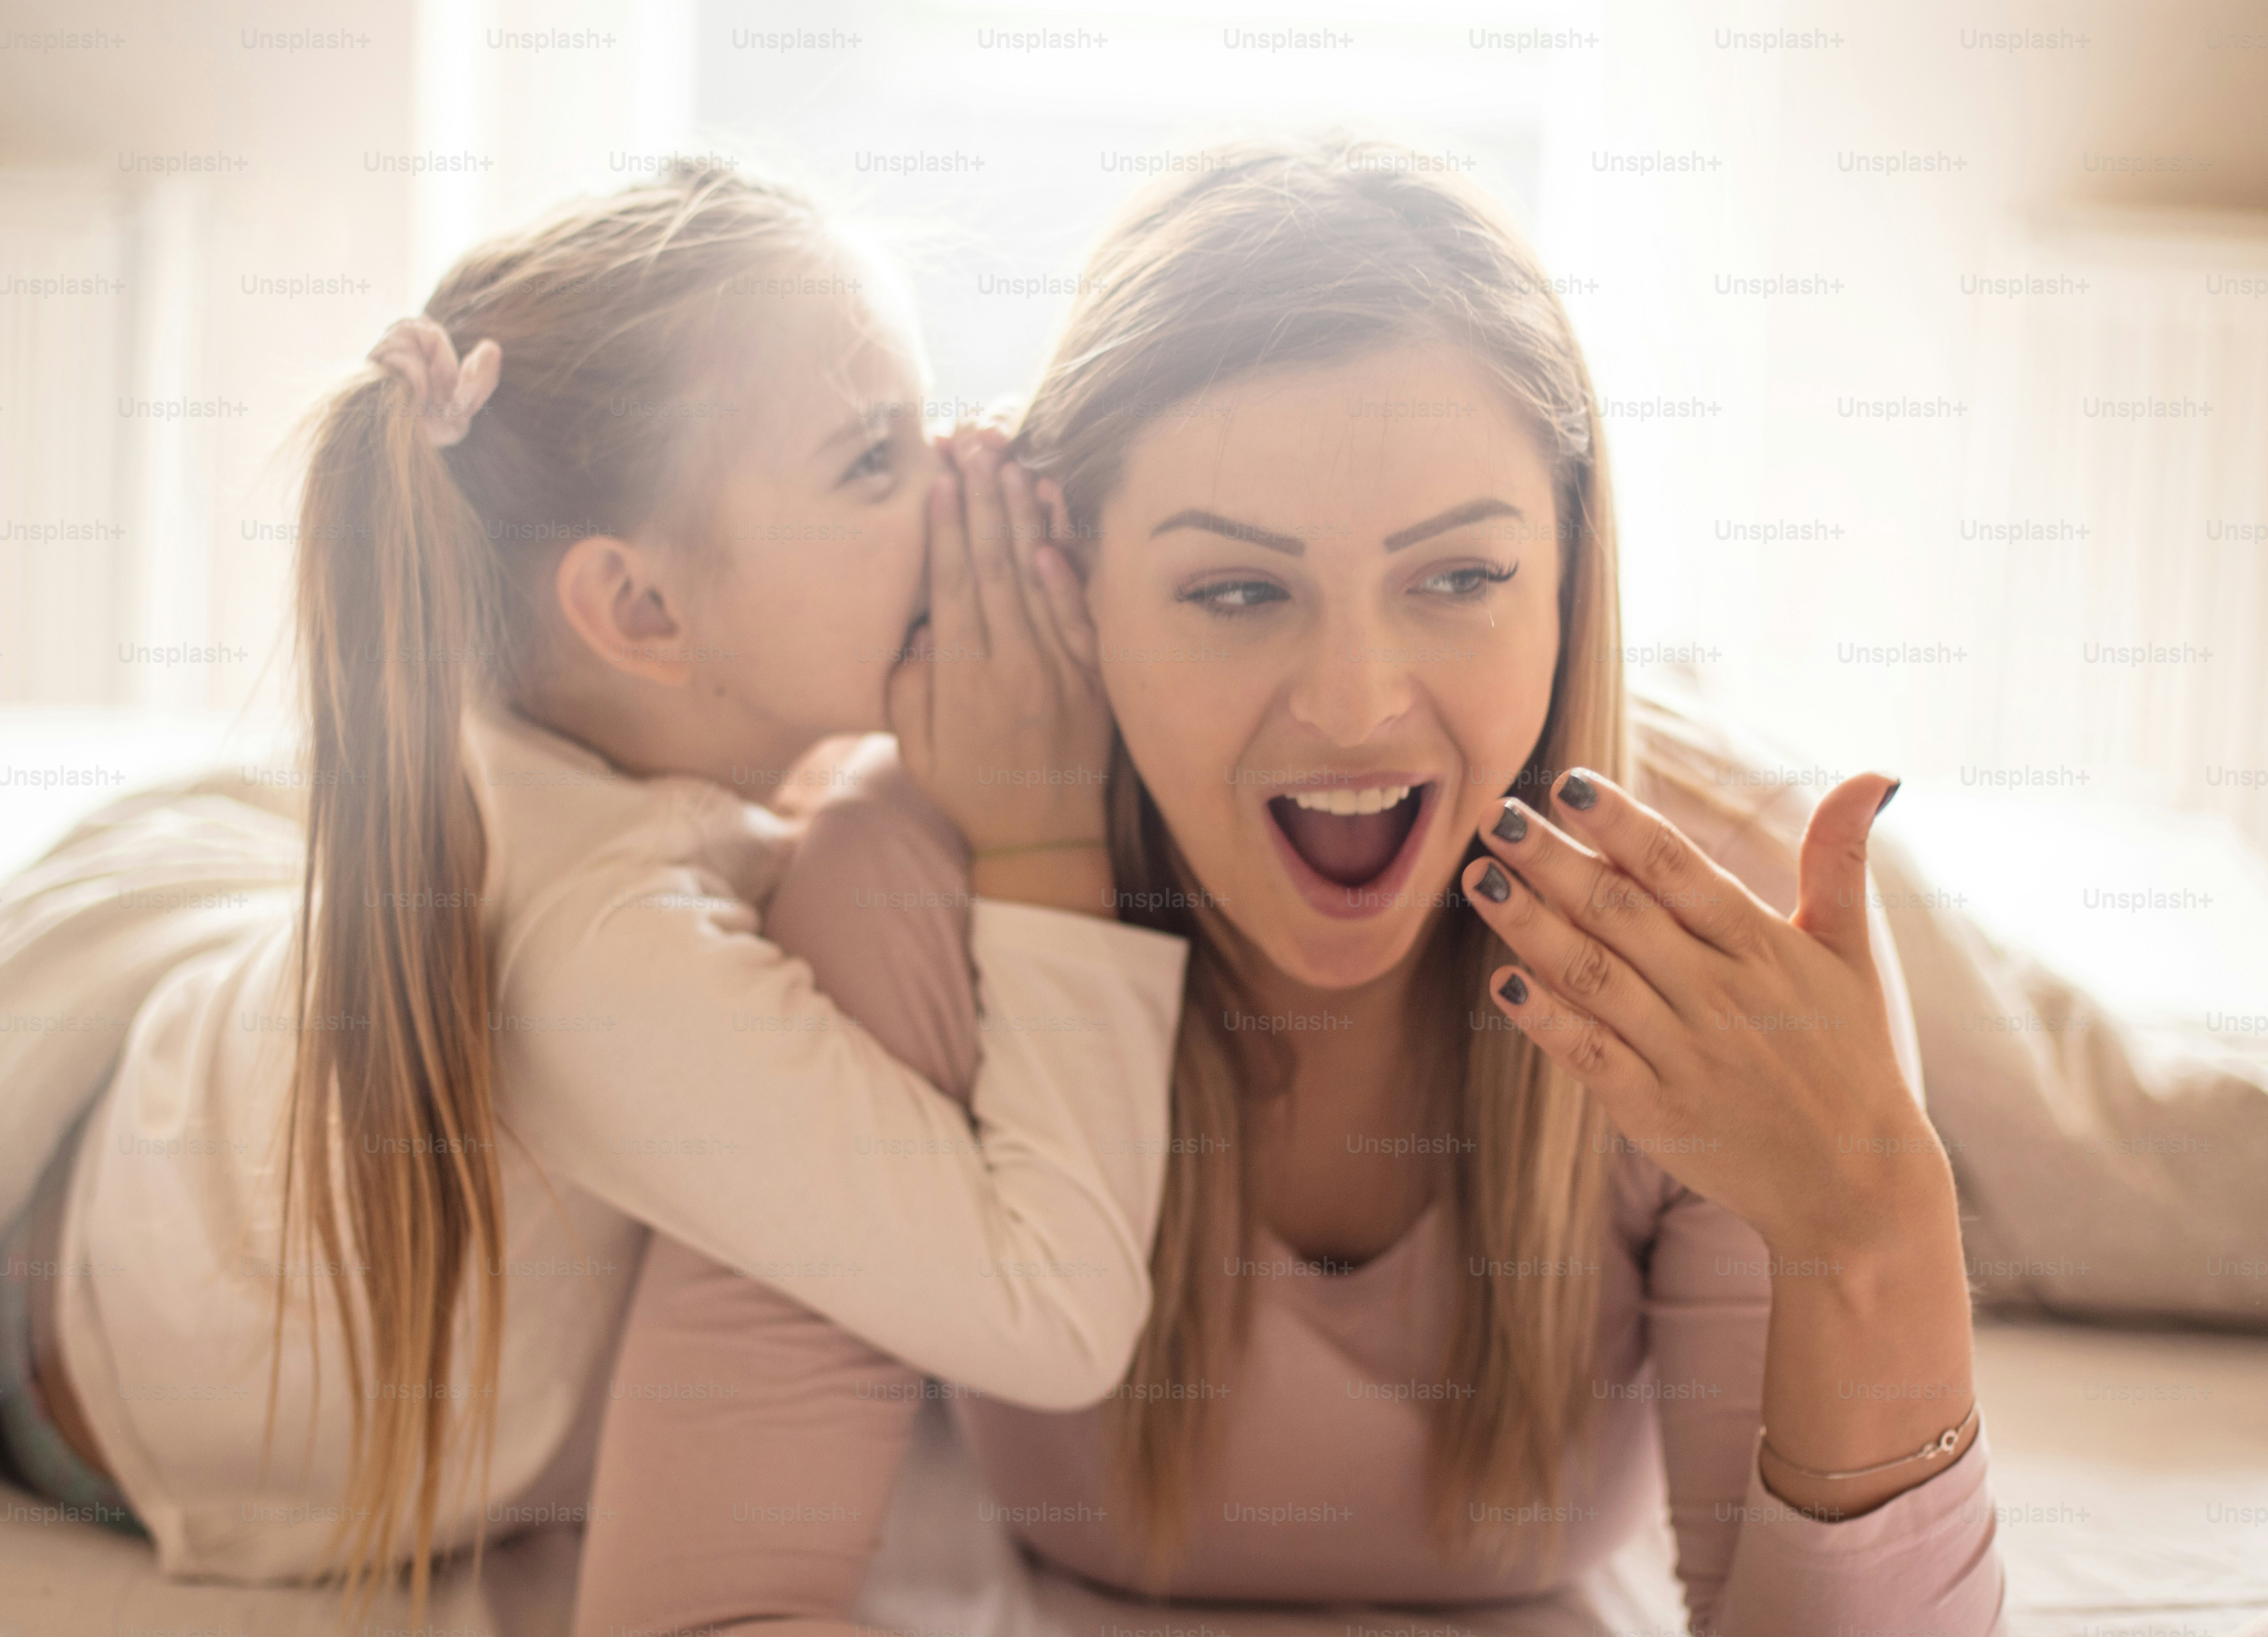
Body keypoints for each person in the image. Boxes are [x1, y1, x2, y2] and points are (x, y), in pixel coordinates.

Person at [575, 135, 2005, 1637]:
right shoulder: (903, 883)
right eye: (1236, 590)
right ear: (1079, 579)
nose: (1351, 705)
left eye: (1459, 578)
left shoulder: (1725, 912)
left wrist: (1885, 1227)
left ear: (1575, 576)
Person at [0, 161, 1184, 1621]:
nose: (965, 474)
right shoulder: (609, 960)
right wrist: (1047, 842)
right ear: (640, 610)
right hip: (93, 1395)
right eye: (876, 459)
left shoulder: (569, 749)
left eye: (928, 417)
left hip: (175, 1145)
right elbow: (1057, 1314)